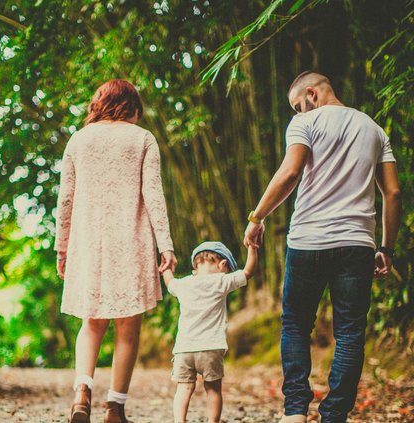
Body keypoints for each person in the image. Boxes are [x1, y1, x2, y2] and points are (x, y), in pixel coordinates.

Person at [244, 71, 401, 423]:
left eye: (298, 105)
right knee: (349, 332)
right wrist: (386, 249)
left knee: (296, 325)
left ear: (311, 93)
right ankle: (334, 415)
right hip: (358, 244)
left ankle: (295, 412)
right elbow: (392, 192)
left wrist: (257, 218)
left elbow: (290, 172)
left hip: (308, 241)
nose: (298, 112)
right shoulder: (374, 129)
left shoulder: (307, 122)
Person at [55, 79, 177, 423]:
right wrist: (165, 245)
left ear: (99, 104)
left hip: (88, 241)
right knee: (129, 325)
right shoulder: (142, 139)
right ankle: (115, 407)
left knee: (91, 323)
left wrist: (62, 247)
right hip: (131, 239)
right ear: (132, 105)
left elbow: (65, 199)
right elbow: (153, 194)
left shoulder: (79, 140)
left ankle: (82, 392)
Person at [162, 241, 258, 423]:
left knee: (183, 389)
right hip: (211, 347)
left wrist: (166, 265)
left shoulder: (184, 284)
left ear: (195, 266)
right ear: (222, 265)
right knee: (213, 389)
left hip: (184, 349)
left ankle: (179, 421)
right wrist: (252, 248)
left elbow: (169, 282)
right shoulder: (221, 281)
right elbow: (248, 272)